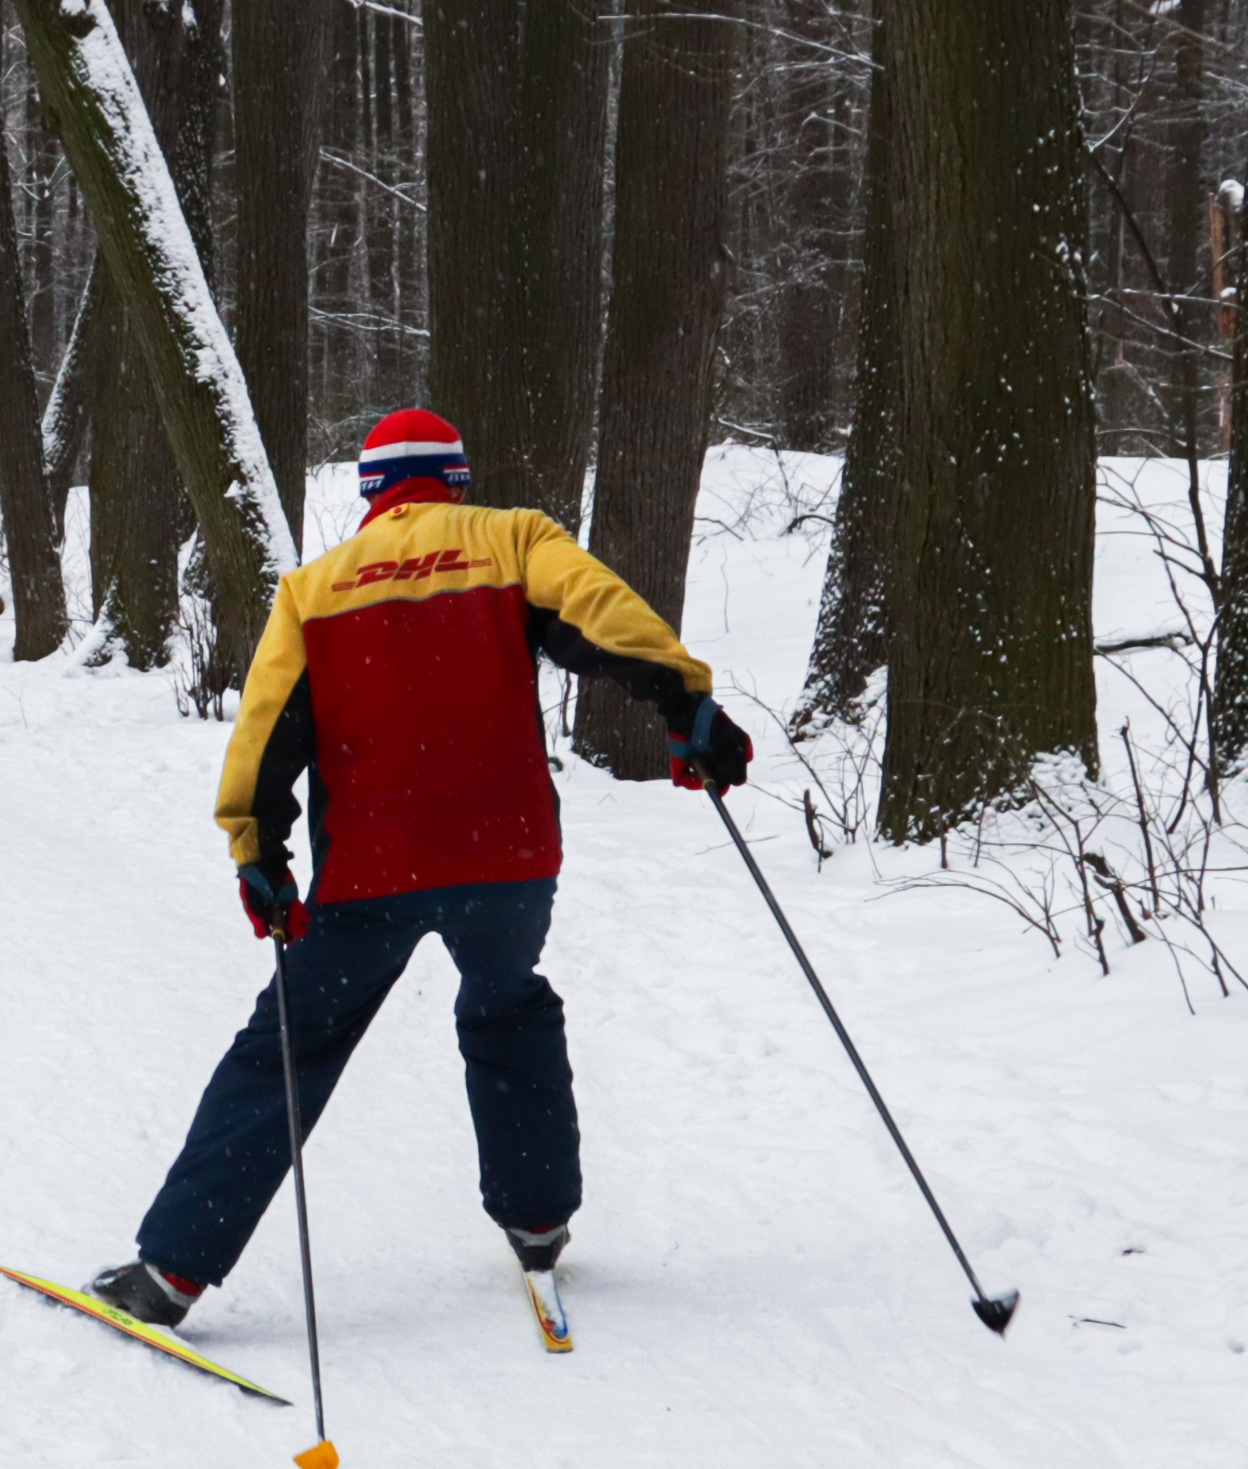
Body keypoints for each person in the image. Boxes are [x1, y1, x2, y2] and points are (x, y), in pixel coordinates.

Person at [84, 407, 752, 1328]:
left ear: (368, 493)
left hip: (370, 871)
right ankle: (538, 1223)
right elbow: (605, 617)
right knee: (507, 1007)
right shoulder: (513, 540)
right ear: (457, 479)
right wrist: (686, 706)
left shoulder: (314, 589)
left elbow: (265, 736)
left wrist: (258, 852)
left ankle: (172, 1272)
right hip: (507, 858)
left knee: (290, 1047)